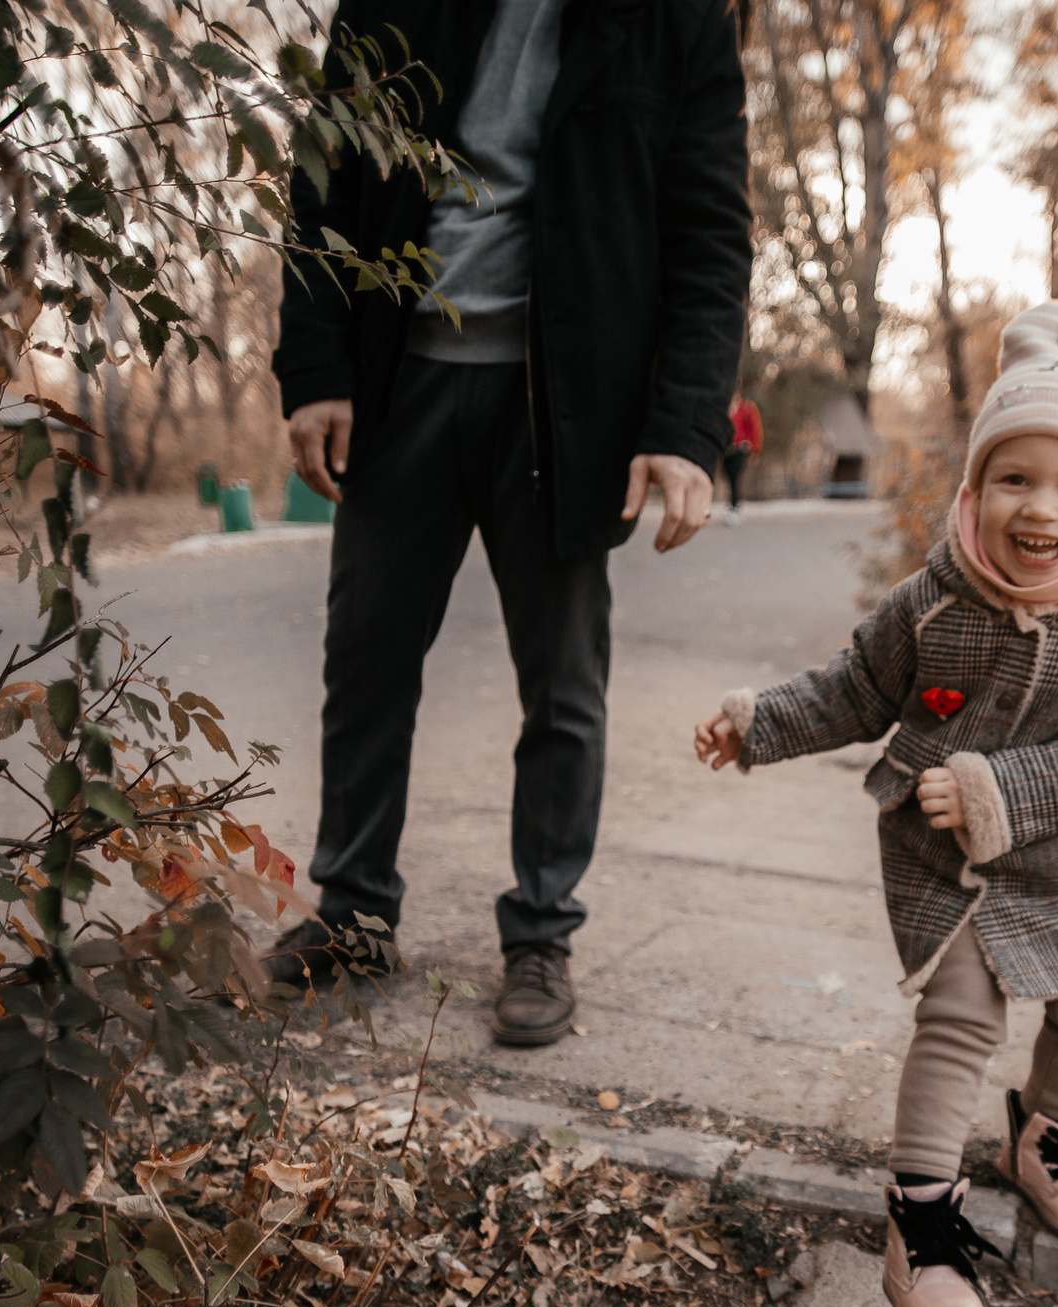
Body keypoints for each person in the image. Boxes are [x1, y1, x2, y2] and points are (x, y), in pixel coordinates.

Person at [268, 0, 752, 1047]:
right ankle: (352, 914)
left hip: (565, 409)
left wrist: (683, 426)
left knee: (563, 688)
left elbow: (710, 235)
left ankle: (541, 933)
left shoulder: (678, 22)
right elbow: (321, 190)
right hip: (400, 388)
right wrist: (311, 368)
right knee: (365, 666)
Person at [692, 303, 1058, 1307]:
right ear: (974, 489)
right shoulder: (934, 599)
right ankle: (921, 1225)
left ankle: (1045, 1138)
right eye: (1013, 478)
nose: (1037, 506)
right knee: (958, 1018)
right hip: (939, 854)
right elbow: (853, 688)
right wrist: (757, 725)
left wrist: (1003, 791)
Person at [721, 394, 762, 520]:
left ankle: (734, 505)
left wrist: (754, 449)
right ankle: (732, 502)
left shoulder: (746, 408)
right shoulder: (723, 408)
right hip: (726, 449)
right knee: (727, 475)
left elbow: (754, 429)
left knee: (735, 476)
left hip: (740, 449)